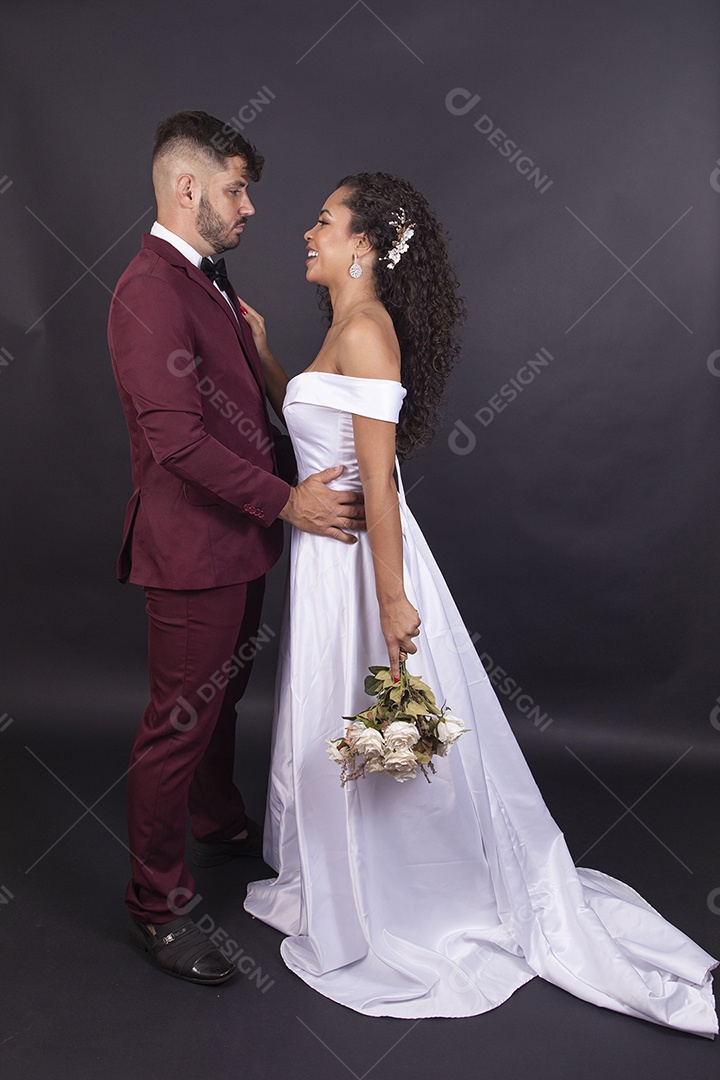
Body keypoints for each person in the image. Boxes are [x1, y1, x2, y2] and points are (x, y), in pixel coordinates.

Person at [242, 172, 718, 1035]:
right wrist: (267, 353)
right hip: (327, 563)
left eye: (323, 220)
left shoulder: (369, 331)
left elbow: (379, 485)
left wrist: (392, 599)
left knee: (386, 732)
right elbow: (309, 423)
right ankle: (347, 882)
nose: (305, 232)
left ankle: (404, 899)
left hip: (361, 565)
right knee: (342, 727)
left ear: (363, 244)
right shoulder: (342, 330)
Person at [107, 111, 365, 986]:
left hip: (242, 544)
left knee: (223, 707)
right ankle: (156, 905)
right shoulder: (148, 289)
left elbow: (239, 408)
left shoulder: (206, 279)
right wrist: (289, 499)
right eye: (234, 188)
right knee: (177, 726)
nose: (249, 207)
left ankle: (217, 826)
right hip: (192, 555)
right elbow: (177, 443)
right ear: (188, 189)